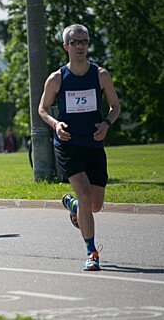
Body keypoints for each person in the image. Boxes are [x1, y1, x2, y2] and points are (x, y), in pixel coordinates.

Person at [38, 24, 120, 271]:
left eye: (84, 41)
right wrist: (55, 124)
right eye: (75, 42)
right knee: (85, 195)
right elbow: (42, 109)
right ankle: (91, 252)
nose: (81, 46)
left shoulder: (100, 75)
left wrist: (106, 123)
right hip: (68, 144)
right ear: (66, 47)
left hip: (94, 143)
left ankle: (74, 206)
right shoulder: (57, 78)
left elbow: (115, 106)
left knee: (94, 205)